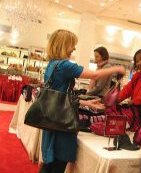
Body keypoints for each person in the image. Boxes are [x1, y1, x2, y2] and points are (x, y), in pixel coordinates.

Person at [40, 29, 125, 173]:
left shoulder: (52, 65)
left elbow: (61, 97)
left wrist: (86, 103)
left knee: (51, 163)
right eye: (72, 44)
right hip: (62, 122)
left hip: (53, 118)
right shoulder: (65, 66)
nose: (74, 48)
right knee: (57, 165)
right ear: (64, 44)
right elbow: (95, 75)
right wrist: (116, 68)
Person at [117, 49, 141, 147]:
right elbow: (127, 89)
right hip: (135, 109)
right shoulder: (138, 75)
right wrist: (116, 99)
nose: (139, 63)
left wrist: (132, 102)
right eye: (137, 61)